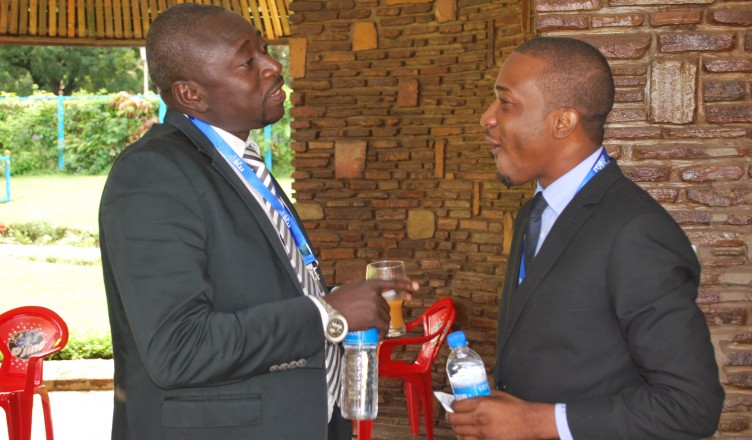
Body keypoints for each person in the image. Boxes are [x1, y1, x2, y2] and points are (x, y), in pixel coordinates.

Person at [98, 4, 417, 439]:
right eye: (247, 62)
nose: (273, 67)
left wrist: (334, 302)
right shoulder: (153, 174)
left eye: (264, 50)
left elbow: (255, 293)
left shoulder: (238, 163)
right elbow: (178, 348)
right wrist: (326, 314)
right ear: (191, 94)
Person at [447, 37, 724, 439]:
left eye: (505, 102)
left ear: (562, 122)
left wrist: (536, 423)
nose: (486, 118)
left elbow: (691, 406)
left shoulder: (636, 232)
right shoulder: (533, 213)